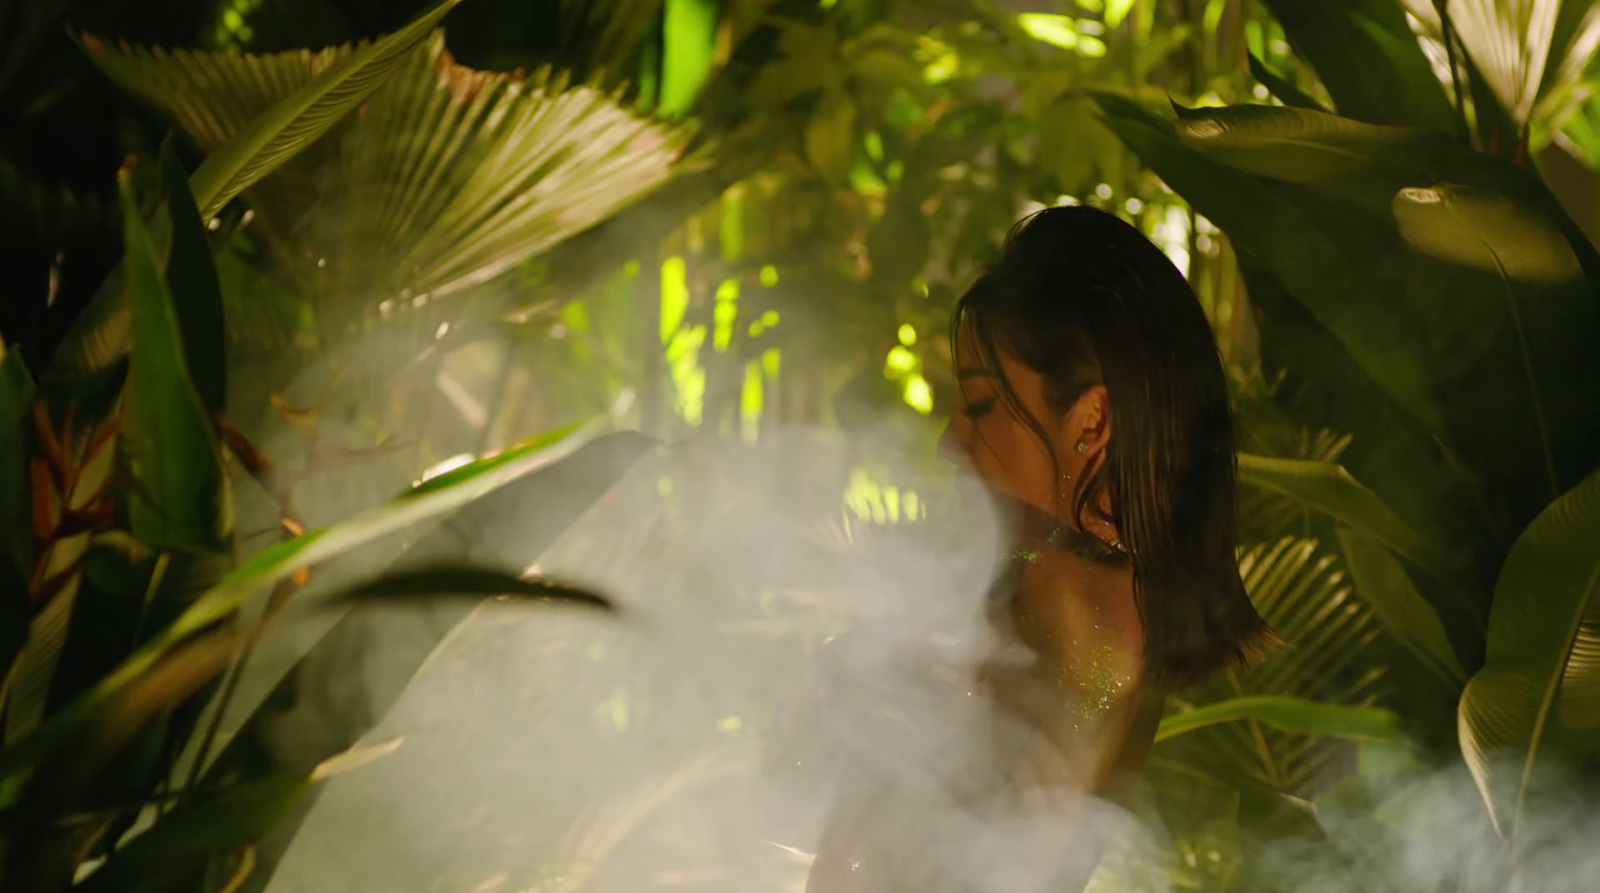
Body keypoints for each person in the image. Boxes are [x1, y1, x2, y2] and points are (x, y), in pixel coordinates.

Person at [798, 205, 1275, 892]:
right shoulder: (1020, 620)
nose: (950, 440)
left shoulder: (1111, 669)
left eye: (983, 404)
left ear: (1092, 423)